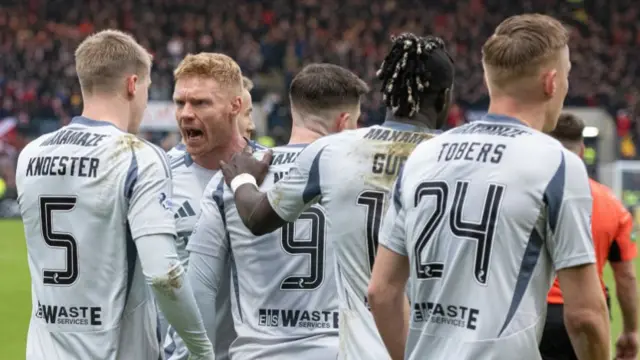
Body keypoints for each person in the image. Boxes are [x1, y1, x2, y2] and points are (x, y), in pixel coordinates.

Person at [367, 14, 610, 360]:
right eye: (567, 75)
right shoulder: (557, 164)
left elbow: (381, 291)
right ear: (552, 82)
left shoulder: (424, 156)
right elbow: (585, 315)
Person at [219, 33, 455, 359]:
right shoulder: (460, 159)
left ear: (386, 93)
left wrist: (242, 178)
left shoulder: (333, 151)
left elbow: (257, 218)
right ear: (444, 99)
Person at [15, 30, 213, 360]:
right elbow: (164, 275)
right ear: (132, 84)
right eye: (148, 89)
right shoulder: (137, 156)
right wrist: (202, 350)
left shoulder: (30, 155)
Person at [189, 63, 368, 359]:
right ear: (344, 121)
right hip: (339, 351)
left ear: (294, 110)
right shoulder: (364, 179)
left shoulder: (233, 177)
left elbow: (200, 287)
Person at [163, 53, 263, 360]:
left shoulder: (273, 173)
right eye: (180, 103)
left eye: (201, 103)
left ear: (235, 106)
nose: (186, 114)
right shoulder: (156, 179)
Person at [540, 113, 638, 360]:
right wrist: (631, 330)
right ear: (582, 150)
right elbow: (625, 276)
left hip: (532, 313)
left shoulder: (524, 194)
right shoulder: (612, 203)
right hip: (589, 313)